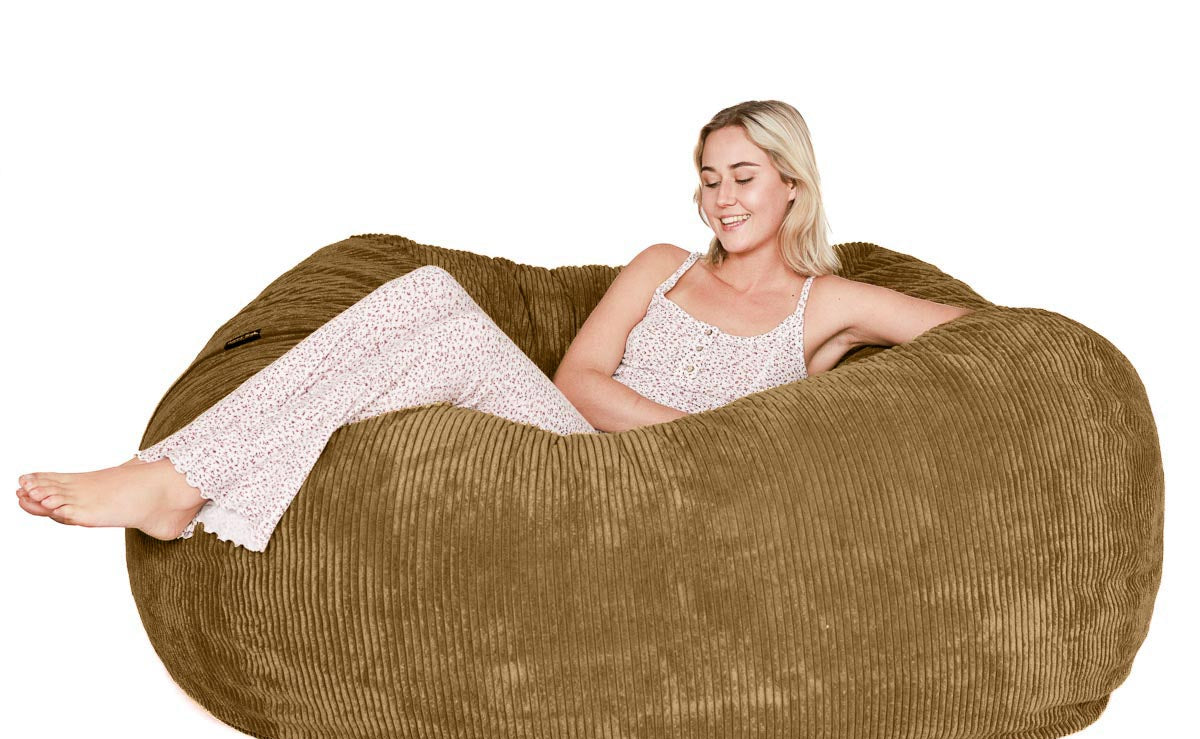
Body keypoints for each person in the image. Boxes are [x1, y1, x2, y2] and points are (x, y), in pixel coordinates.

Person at [15, 99, 974, 552]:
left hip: (669, 488)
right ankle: (177, 478)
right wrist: (694, 429)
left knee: (430, 312)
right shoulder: (660, 266)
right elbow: (574, 381)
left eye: (744, 177)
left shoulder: (827, 303)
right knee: (429, 299)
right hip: (569, 443)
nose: (721, 199)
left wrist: (839, 365)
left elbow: (981, 335)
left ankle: (175, 480)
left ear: (793, 184)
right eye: (710, 178)